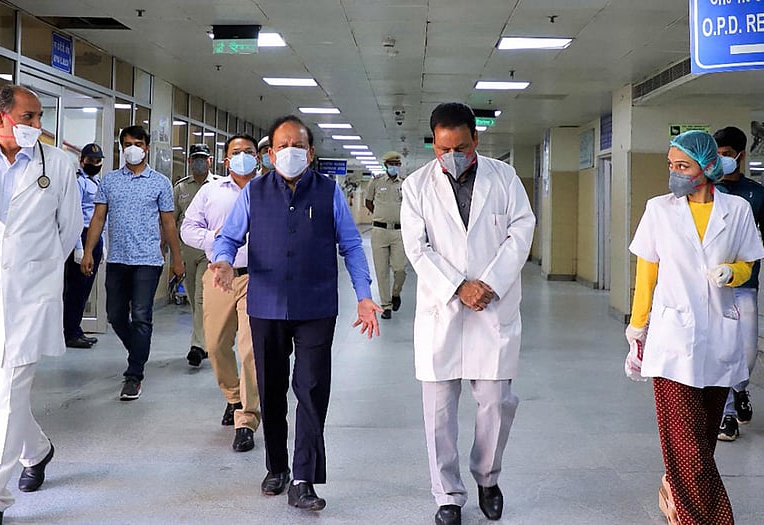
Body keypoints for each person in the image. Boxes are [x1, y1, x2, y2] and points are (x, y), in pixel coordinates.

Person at [211, 115, 382, 512]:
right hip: (267, 305)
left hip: (316, 306)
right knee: (271, 388)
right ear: (270, 153)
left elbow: (352, 246)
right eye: (281, 146)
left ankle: (303, 478)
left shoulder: (328, 192)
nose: (290, 152)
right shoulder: (254, 191)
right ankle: (277, 466)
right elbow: (230, 236)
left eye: (298, 145)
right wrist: (221, 260)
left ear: (310, 151)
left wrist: (363, 294)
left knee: (311, 389)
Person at [0, 84, 82, 525]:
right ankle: (38, 450)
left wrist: (33, 268)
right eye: (29, 117)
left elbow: (68, 230)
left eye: (39, 117)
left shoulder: (59, 165)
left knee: (7, 391)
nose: (37, 126)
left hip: (32, 293)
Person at [401, 102, 535, 525]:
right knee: (439, 411)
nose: (452, 155)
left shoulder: (504, 177)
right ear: (434, 144)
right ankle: (447, 495)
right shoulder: (417, 186)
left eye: (460, 146)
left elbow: (521, 229)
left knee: (496, 402)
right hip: (444, 309)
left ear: (475, 139)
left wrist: (489, 282)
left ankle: (487, 477)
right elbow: (416, 248)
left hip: (493, 306)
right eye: (443, 148)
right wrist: (459, 286)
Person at [625, 130, 764, 525]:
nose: (675, 175)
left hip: (720, 335)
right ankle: (702, 517)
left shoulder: (735, 210)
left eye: (682, 166)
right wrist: (637, 329)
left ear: (706, 168)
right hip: (672, 336)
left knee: (701, 439)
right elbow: (647, 271)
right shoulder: (658, 209)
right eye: (670, 166)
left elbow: (748, 264)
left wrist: (731, 272)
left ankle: (673, 488)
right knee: (685, 440)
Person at [81, 125, 184, 401]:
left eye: (137, 143)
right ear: (121, 147)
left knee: (141, 315)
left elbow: (169, 223)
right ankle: (138, 351)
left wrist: (177, 258)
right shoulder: (110, 181)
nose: (132, 148)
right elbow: (98, 218)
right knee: (115, 314)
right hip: (117, 259)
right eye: (127, 143)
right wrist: (88, 251)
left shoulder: (160, 182)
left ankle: (134, 374)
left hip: (148, 260)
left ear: (147, 147)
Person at [180, 134, 261, 451]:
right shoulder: (210, 191)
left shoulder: (271, 189)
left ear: (259, 156)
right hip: (219, 276)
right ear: (226, 160)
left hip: (259, 278)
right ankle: (234, 395)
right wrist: (216, 238)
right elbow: (188, 229)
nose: (243, 157)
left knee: (250, 349)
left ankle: (247, 418)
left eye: (249, 152)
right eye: (236, 152)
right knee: (214, 344)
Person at [713, 126, 764, 441]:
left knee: (748, 350)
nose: (721, 161)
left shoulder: (756, 193)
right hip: (713, 285)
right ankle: (725, 413)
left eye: (726, 155)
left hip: (745, 282)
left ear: (741, 155)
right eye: (717, 155)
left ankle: (740, 389)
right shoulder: (708, 190)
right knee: (722, 349)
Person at [173, 143, 215, 368]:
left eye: (203, 158)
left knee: (201, 296)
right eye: (195, 158)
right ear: (189, 161)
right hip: (186, 250)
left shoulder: (218, 186)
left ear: (209, 160)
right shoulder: (181, 189)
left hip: (209, 251)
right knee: (193, 298)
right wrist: (171, 256)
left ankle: (197, 346)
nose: (199, 161)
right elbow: (171, 221)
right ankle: (205, 341)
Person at [63, 143, 104, 349]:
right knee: (76, 289)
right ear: (82, 161)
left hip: (95, 237)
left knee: (86, 287)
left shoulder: (98, 182)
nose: (94, 164)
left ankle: (75, 328)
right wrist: (79, 247)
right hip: (82, 235)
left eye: (97, 161)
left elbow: (102, 214)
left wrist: (102, 243)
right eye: (90, 161)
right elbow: (75, 214)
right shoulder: (78, 182)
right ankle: (70, 332)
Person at [365, 150, 408, 319]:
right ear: (386, 166)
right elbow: (368, 202)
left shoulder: (404, 184)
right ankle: (386, 305)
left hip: (399, 231)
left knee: (400, 269)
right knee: (381, 271)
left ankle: (395, 293)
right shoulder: (375, 182)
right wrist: (380, 215)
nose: (395, 167)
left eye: (397, 165)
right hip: (379, 231)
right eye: (392, 164)